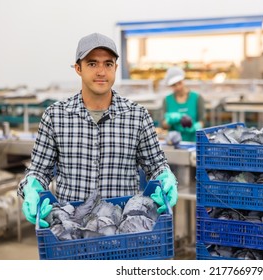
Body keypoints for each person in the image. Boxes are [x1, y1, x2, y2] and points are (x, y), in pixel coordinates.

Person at [17, 33, 178, 228]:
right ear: (78, 69)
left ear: (116, 68)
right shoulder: (55, 116)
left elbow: (156, 165)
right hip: (73, 232)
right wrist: (31, 187)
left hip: (122, 233)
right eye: (92, 64)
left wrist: (165, 177)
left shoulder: (137, 115)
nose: (101, 71)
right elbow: (39, 171)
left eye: (108, 64)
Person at [161, 66, 206, 142]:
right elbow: (163, 125)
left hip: (193, 142)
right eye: (174, 85)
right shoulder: (167, 100)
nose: (178, 87)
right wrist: (170, 120)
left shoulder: (197, 98)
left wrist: (195, 127)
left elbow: (202, 121)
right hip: (174, 143)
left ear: (183, 80)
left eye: (179, 83)